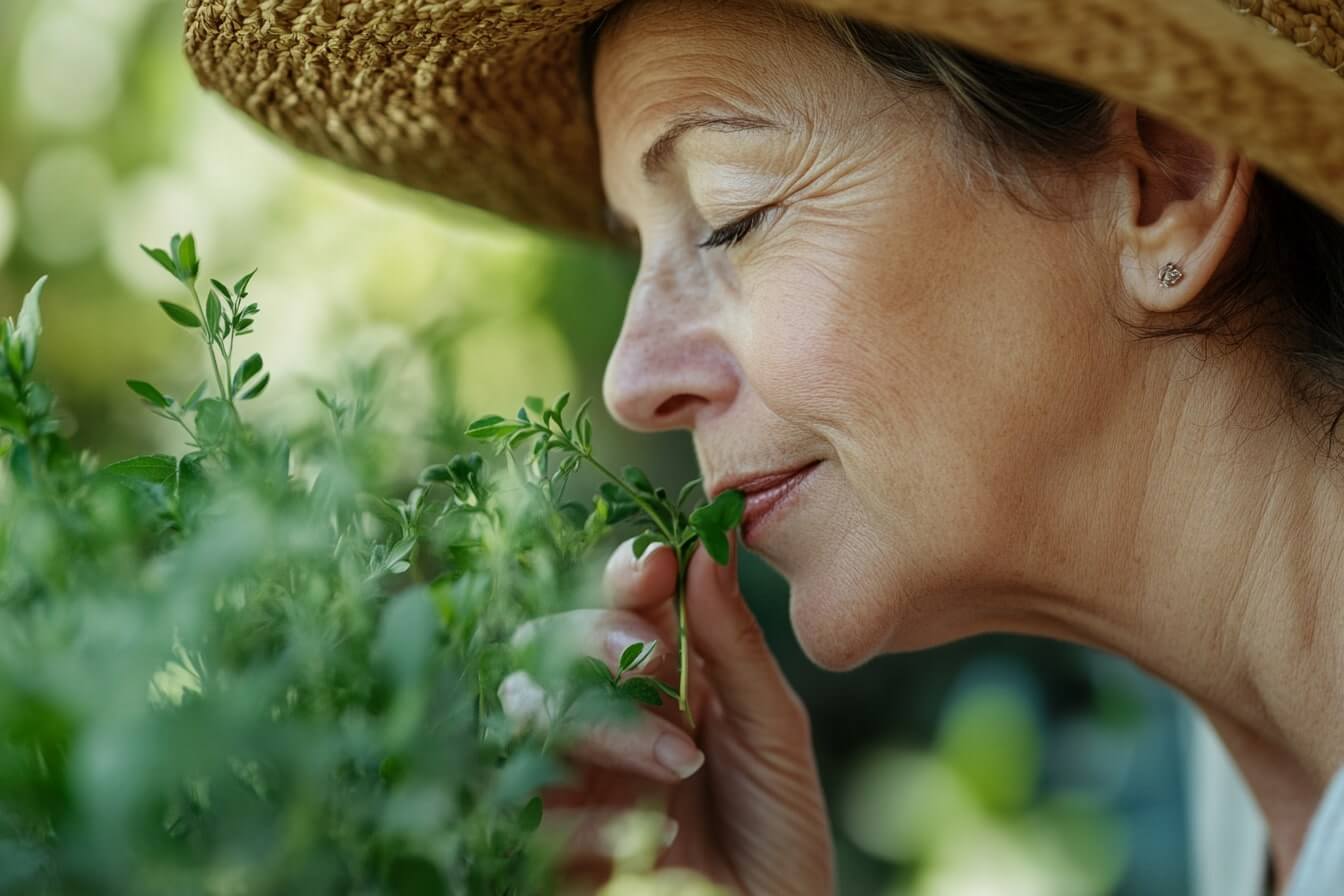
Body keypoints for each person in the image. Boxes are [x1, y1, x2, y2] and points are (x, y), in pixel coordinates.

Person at [185, 0, 1344, 892]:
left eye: (733, 215)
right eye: (636, 250)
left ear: (1165, 181)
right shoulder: (1251, 795)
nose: (633, 383)